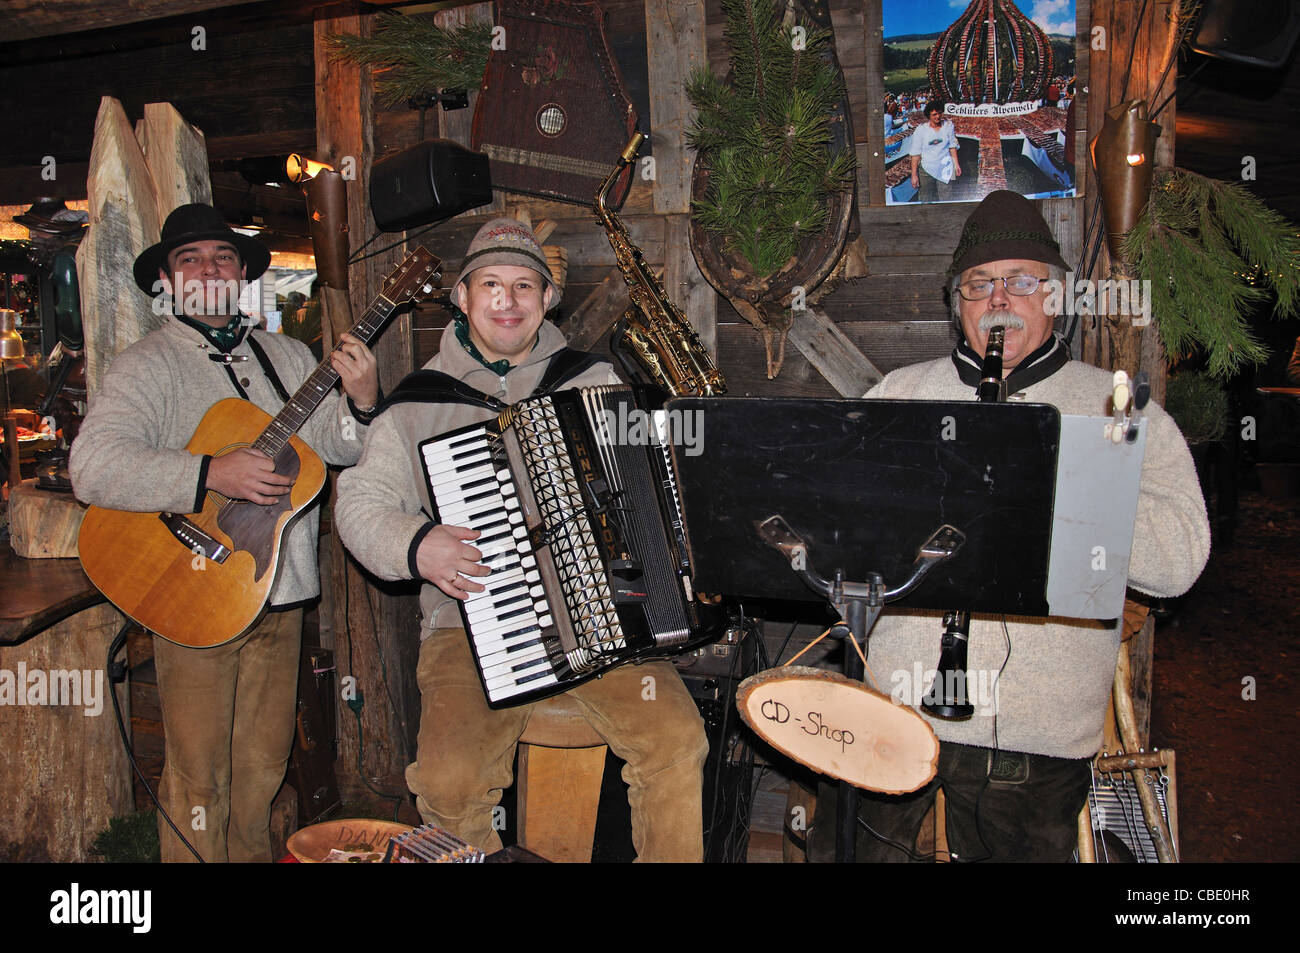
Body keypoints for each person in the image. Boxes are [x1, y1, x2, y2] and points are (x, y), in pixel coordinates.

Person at [826, 191, 1210, 862]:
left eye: (1021, 281)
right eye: (979, 284)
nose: (999, 297)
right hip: (896, 704)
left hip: (1034, 731)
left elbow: (1178, 561)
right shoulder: (898, 396)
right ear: (959, 304)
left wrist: (1055, 475)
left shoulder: (1117, 407)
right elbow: (834, 527)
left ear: (1055, 299)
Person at [334, 218, 709, 861]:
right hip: (468, 624)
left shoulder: (594, 384)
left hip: (602, 617)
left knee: (677, 740)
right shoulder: (416, 402)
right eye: (490, 285)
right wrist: (418, 544)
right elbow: (359, 506)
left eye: (524, 287)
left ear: (546, 300)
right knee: (449, 784)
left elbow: (656, 497)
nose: (507, 302)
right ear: (462, 297)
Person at [70, 203, 380, 862]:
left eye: (221, 256)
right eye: (190, 259)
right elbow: (92, 467)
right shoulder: (148, 365)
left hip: (279, 590)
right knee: (198, 776)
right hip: (193, 593)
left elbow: (341, 446)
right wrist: (208, 471)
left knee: (263, 772)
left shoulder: (286, 354)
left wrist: (362, 402)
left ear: (240, 273)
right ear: (171, 281)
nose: (208, 268)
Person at [909, 101, 962, 203]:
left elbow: (952, 146)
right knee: (925, 199)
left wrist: (956, 164)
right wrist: (914, 175)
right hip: (927, 168)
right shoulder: (921, 130)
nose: (938, 116)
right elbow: (915, 154)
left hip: (945, 167)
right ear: (929, 115)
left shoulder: (948, 125)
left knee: (947, 198)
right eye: (934, 114)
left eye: (940, 113)